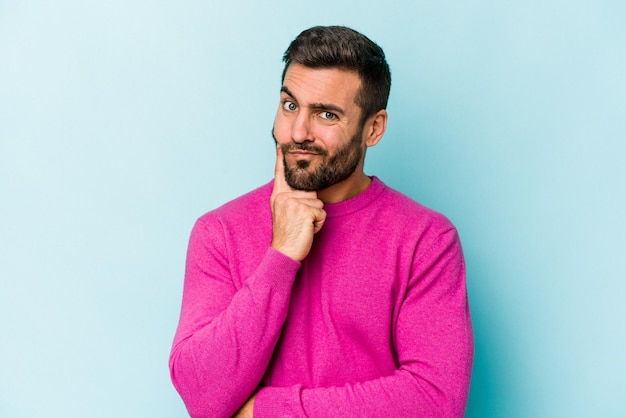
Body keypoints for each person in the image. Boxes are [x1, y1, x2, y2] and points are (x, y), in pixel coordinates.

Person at [169, 25, 473, 417]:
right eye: (290, 105)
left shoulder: (426, 239)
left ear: (373, 128)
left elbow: (436, 400)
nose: (298, 132)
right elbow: (203, 396)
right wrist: (281, 256)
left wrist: (268, 411)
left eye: (326, 114)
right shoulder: (219, 232)